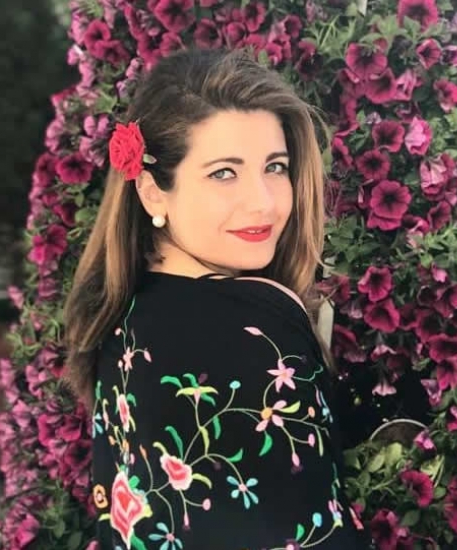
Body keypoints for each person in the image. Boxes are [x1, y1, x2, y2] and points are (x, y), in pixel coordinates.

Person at [63, 48, 372, 550]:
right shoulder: (255, 325)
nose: (263, 202)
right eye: (224, 173)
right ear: (152, 191)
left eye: (275, 167)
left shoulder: (121, 312)